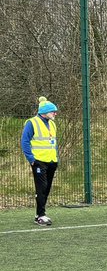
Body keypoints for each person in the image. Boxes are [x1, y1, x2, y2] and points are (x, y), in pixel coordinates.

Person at [20, 97, 59, 226]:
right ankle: (41, 215)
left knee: (46, 188)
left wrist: (56, 158)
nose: (55, 113)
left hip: (52, 161)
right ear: (45, 111)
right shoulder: (32, 123)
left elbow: (53, 143)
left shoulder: (52, 124)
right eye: (53, 111)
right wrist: (31, 159)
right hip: (39, 162)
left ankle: (38, 214)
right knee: (41, 188)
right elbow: (25, 141)